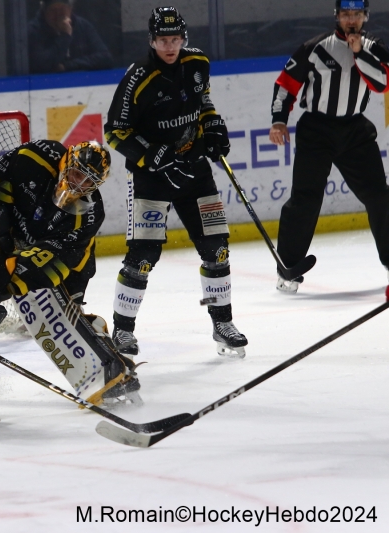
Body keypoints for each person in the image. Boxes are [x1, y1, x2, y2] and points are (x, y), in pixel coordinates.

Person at [103, 7, 248, 358]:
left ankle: (222, 323)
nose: (170, 46)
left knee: (217, 249)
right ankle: (122, 331)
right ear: (152, 41)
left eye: (175, 39)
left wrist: (212, 125)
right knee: (143, 256)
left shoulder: (198, 63)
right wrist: (149, 155)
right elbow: (115, 132)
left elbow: (204, 102)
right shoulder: (138, 78)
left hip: (195, 172)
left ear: (184, 38)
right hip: (151, 178)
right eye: (163, 40)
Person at [0, 140, 142, 403]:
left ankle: (112, 368)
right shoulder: (34, 158)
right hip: (20, 234)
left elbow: (56, 257)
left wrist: (16, 269)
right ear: (66, 163)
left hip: (72, 265)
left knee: (64, 316)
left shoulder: (90, 214)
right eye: (77, 174)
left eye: (89, 181)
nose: (80, 185)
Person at [269, 0, 389, 294]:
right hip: (317, 131)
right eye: (346, 14)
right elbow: (286, 84)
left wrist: (359, 52)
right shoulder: (316, 47)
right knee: (305, 199)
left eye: (357, 14)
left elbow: (383, 83)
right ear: (337, 16)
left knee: (380, 196)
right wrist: (279, 121)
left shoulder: (374, 48)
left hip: (355, 131)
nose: (351, 20)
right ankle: (288, 268)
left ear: (365, 17)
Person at [28, 0, 112, 74]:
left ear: (70, 9)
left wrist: (67, 66)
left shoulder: (83, 26)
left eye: (62, 9)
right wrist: (65, 36)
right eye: (53, 10)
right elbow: (43, 66)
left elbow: (105, 58)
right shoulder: (33, 31)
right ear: (44, 11)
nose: (58, 15)